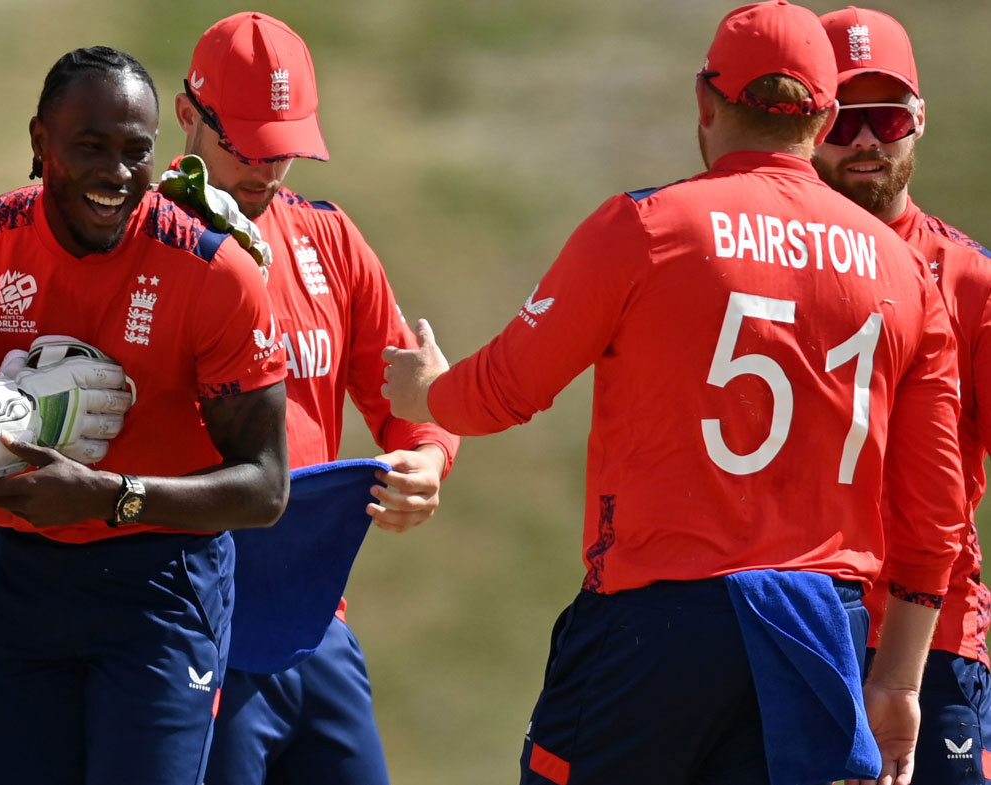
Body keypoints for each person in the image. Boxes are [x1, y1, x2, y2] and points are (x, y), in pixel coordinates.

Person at [382, 2, 965, 784]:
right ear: (825, 115)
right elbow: (936, 515)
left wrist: (426, 392)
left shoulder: (649, 226)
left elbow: (504, 391)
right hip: (821, 634)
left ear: (705, 100)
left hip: (654, 624)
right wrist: (896, 678)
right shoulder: (906, 275)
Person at [0, 46, 291, 785]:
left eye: (137, 152)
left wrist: (112, 497)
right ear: (41, 143)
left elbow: (265, 488)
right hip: (21, 587)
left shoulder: (214, 274)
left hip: (161, 588)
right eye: (91, 148)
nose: (116, 175)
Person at [170, 12, 460, 784]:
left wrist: (428, 457)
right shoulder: (145, 245)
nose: (268, 171)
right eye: (248, 147)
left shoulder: (328, 239)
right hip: (195, 626)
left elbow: (412, 396)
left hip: (317, 625)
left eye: (287, 149)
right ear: (187, 117)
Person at [814, 8, 991, 783]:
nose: (864, 140)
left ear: (918, 123)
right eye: (843, 117)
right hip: (797, 625)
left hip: (940, 637)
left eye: (885, 116)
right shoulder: (763, 265)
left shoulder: (972, 280)